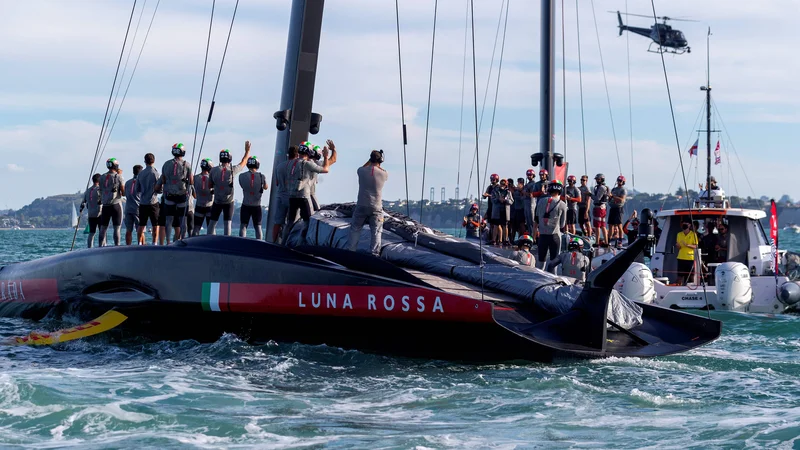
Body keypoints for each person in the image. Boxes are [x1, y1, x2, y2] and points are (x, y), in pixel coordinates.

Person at [286, 140, 335, 240]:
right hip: (304, 196)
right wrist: (326, 156)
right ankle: (301, 243)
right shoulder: (308, 164)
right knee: (308, 222)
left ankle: (284, 242)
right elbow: (326, 169)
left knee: (290, 222)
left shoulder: (291, 163)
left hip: (292, 196)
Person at [347, 149, 388, 255]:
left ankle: (351, 252)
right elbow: (379, 169)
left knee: (355, 229)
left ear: (370, 159)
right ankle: (374, 255)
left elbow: (364, 167)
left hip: (361, 205)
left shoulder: (361, 171)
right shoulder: (384, 174)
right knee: (376, 232)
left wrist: (369, 160)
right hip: (376, 207)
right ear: (381, 160)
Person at [209, 141, 251, 236]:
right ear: (230, 159)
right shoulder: (233, 170)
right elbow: (244, 162)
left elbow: (209, 186)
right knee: (227, 223)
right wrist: (247, 151)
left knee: (212, 223)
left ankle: (209, 240)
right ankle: (226, 242)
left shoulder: (213, 170)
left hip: (217, 201)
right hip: (229, 201)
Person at [156, 143, 192, 244]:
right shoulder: (187, 164)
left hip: (169, 196)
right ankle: (182, 240)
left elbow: (162, 179)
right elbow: (191, 181)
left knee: (169, 220)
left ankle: (168, 241)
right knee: (182, 221)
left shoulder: (166, 164)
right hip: (182, 195)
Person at [535, 181, 567, 272]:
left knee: (541, 261)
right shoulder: (562, 204)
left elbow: (536, 218)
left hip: (542, 235)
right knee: (553, 263)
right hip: (554, 235)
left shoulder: (541, 201)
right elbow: (562, 224)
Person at [238, 156, 268, 239]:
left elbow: (242, 185)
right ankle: (260, 244)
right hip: (256, 206)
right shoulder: (262, 176)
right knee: (258, 227)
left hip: (246, 204)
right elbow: (266, 187)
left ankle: (242, 243)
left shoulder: (241, 176)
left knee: (243, 226)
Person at [98, 158, 125, 246]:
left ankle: (100, 246)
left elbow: (100, 190)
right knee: (117, 228)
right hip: (116, 204)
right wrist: (119, 175)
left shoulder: (102, 177)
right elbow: (123, 192)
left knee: (103, 228)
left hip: (105, 205)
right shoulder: (118, 176)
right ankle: (117, 246)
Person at [136, 153, 160, 245]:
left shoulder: (140, 174)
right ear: (153, 161)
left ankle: (139, 243)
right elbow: (159, 189)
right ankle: (154, 243)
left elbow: (137, 189)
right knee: (155, 224)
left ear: (145, 161)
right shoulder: (156, 173)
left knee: (141, 224)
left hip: (143, 202)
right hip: (153, 201)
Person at [192, 158, 214, 236]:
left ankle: (194, 244)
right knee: (211, 228)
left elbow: (193, 193)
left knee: (196, 228)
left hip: (199, 205)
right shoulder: (212, 178)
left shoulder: (195, 178)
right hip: (210, 206)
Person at [81, 173, 103, 248]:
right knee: (102, 231)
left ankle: (89, 248)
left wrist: (81, 209)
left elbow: (83, 203)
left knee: (92, 232)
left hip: (91, 214)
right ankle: (102, 246)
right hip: (99, 214)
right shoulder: (99, 189)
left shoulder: (87, 191)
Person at [123, 165, 143, 245]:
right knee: (140, 229)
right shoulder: (141, 182)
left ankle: (128, 246)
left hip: (128, 208)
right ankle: (141, 245)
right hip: (137, 208)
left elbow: (124, 194)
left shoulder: (127, 183)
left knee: (128, 230)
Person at [491, 178, 513, 246]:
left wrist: (505, 201)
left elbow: (511, 201)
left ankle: (505, 240)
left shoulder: (508, 192)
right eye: (501, 183)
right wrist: (498, 199)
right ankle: (494, 240)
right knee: (496, 225)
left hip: (505, 211)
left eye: (504, 184)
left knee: (505, 226)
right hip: (497, 210)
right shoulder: (495, 191)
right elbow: (493, 199)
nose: (502, 185)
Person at [676, 220, 699, 285]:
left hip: (690, 258)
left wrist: (687, 245)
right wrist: (678, 246)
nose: (684, 225)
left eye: (686, 224)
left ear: (689, 225)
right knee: (680, 275)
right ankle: (678, 288)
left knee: (691, 275)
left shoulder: (693, 234)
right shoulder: (679, 234)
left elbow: (696, 246)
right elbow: (679, 247)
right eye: (683, 224)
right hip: (681, 257)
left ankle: (692, 287)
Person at [609, 175, 627, 248]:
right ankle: (609, 240)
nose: (619, 182)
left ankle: (620, 240)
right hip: (612, 208)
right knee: (610, 225)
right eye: (618, 180)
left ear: (623, 182)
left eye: (620, 181)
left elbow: (622, 200)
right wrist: (610, 198)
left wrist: (613, 197)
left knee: (619, 225)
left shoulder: (623, 190)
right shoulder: (613, 189)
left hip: (619, 208)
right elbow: (610, 198)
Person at [591, 173, 609, 246]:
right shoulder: (602, 187)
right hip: (603, 208)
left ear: (602, 179)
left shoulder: (601, 188)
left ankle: (597, 242)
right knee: (602, 226)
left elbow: (597, 198)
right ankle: (606, 242)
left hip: (599, 208)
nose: (597, 181)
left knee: (597, 226)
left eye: (598, 179)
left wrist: (590, 195)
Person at [483, 174, 500, 241]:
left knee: (496, 224)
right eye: (492, 180)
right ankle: (492, 238)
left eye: (494, 180)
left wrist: (489, 195)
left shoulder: (498, 187)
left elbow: (498, 197)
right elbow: (485, 195)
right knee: (491, 224)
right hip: (490, 207)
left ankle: (497, 239)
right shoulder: (489, 187)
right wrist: (484, 196)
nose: (492, 181)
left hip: (496, 207)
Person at [522, 169, 537, 235]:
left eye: (530, 175)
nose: (529, 176)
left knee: (532, 221)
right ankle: (530, 235)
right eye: (528, 175)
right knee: (528, 222)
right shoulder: (527, 184)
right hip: (526, 205)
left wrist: (524, 192)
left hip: (531, 204)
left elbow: (532, 195)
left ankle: (534, 236)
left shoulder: (534, 184)